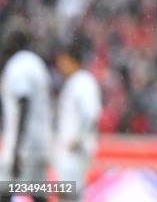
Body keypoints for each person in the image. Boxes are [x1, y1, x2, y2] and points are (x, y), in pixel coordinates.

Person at [0, 16, 52, 202]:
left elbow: (24, 104)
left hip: (23, 147)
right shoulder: (37, 63)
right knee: (38, 194)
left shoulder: (18, 64)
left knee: (4, 190)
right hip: (40, 144)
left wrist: (15, 151)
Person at [54, 38, 101, 201]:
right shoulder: (76, 81)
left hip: (74, 154)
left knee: (70, 196)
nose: (60, 65)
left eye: (62, 60)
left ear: (70, 58)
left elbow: (92, 115)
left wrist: (78, 141)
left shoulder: (83, 81)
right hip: (70, 153)